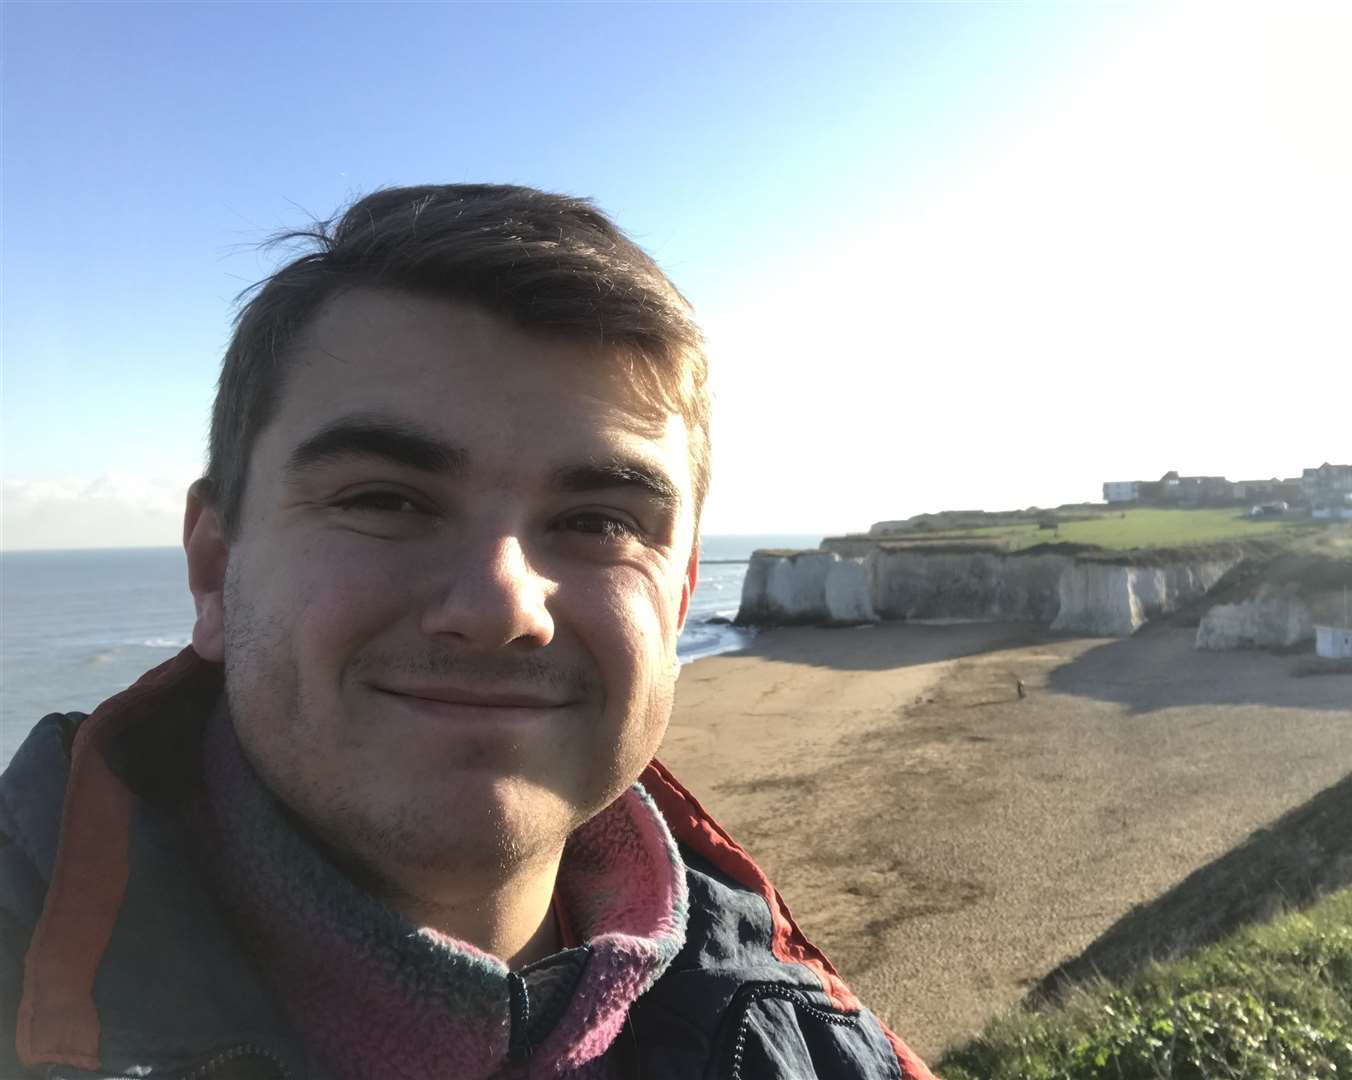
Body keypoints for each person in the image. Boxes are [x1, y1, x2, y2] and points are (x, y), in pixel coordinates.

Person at [0, 185, 932, 1079]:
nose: (499, 608)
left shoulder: (808, 1042)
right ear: (214, 567)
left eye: (602, 521)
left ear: (681, 597)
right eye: (383, 498)